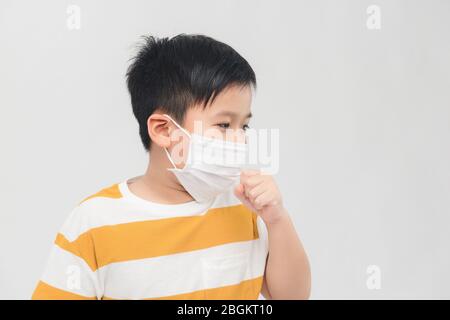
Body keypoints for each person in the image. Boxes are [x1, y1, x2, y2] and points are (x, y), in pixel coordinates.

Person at [31, 34, 311, 300]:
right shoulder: (94, 222)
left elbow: (291, 296)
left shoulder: (245, 209)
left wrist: (277, 220)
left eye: (244, 125)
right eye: (224, 125)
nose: (239, 139)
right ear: (164, 130)